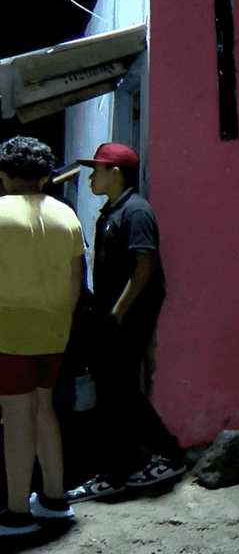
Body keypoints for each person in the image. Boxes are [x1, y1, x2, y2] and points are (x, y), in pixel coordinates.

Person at [65, 143, 186, 503]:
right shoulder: (113, 210)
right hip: (111, 317)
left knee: (119, 392)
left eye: (97, 170)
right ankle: (122, 468)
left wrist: (117, 314)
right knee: (116, 392)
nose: (91, 177)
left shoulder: (135, 211)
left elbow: (145, 266)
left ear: (115, 173)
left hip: (127, 318)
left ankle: (161, 457)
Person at [0, 137, 83, 536]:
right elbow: (76, 281)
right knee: (44, 409)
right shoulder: (66, 215)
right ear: (47, 175)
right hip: (54, 331)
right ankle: (54, 499)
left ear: (3, 175)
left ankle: (17, 514)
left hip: (8, 332)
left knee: (17, 417)